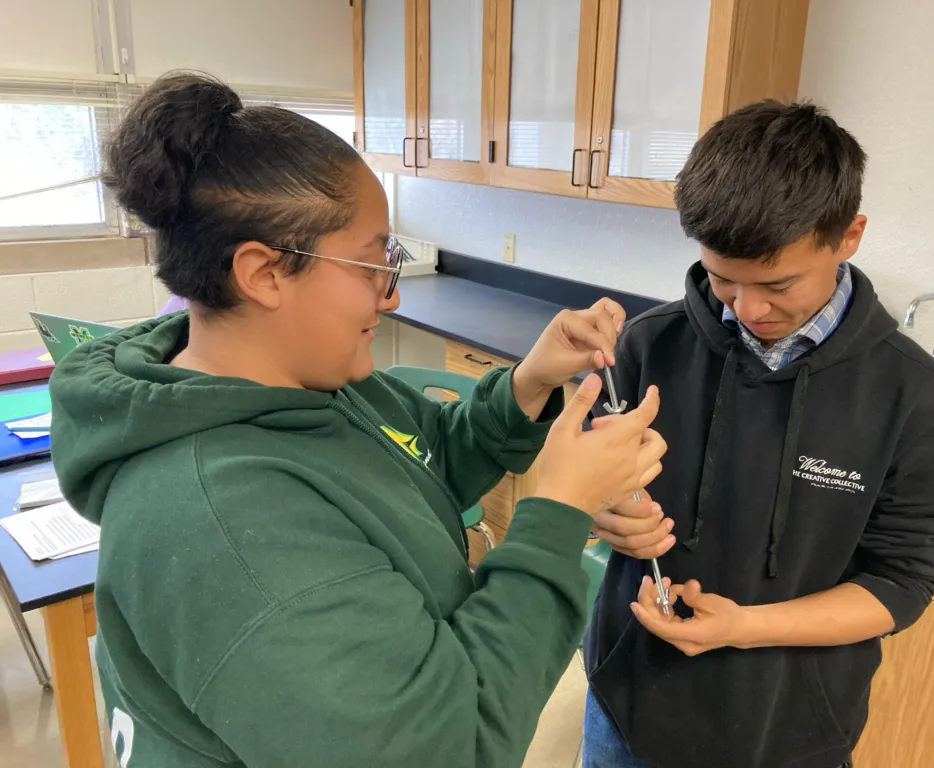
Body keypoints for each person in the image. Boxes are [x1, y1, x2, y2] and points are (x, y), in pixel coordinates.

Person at [47, 73, 668, 768]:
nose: (391, 293)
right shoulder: (221, 521)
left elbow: (426, 461)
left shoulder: (312, 385)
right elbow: (447, 750)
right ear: (263, 273)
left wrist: (530, 381)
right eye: (373, 264)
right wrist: (559, 511)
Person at [582, 100, 934, 768]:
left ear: (848, 236)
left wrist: (746, 628)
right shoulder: (645, 348)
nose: (748, 308)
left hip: (791, 732)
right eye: (722, 279)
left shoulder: (915, 396)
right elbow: (584, 482)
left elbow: (903, 582)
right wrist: (601, 510)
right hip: (629, 703)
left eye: (777, 283)